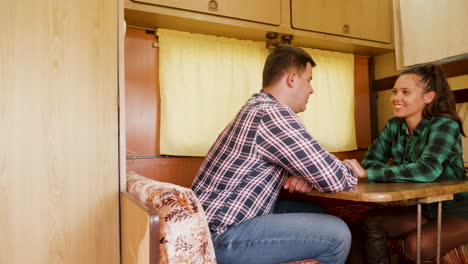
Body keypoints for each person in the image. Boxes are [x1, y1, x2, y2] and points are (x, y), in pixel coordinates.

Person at [191, 44, 358, 264]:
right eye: (309, 80)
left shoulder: (257, 105)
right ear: (292, 79)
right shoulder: (271, 114)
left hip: (209, 223)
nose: (311, 89)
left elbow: (314, 167)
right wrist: (350, 167)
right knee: (337, 234)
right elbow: (333, 178)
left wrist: (309, 176)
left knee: (316, 210)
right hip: (219, 236)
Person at [344, 64, 468, 263]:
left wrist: (370, 174)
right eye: (395, 92)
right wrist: (371, 170)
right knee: (369, 222)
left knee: (416, 245)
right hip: (425, 208)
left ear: (428, 97)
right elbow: (370, 161)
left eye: (405, 92)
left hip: (458, 210)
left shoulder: (444, 126)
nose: (396, 98)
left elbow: (427, 170)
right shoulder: (394, 126)